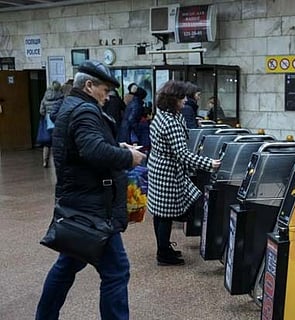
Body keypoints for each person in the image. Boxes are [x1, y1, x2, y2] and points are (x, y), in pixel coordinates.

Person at [35, 60, 146, 320]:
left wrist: (116, 145)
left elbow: (84, 147)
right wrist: (128, 157)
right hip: (92, 207)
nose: (107, 97)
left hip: (79, 201)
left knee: (68, 264)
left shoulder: (71, 107)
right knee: (116, 271)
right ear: (89, 85)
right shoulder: (85, 111)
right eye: (105, 91)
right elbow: (93, 151)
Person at [147, 80, 221, 266]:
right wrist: (209, 163)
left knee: (160, 213)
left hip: (158, 168)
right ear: (173, 100)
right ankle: (163, 253)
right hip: (168, 173)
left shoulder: (162, 116)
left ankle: (163, 248)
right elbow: (182, 154)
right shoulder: (170, 122)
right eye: (182, 98)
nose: (185, 101)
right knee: (165, 215)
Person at [39, 80, 64, 168]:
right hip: (58, 122)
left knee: (47, 143)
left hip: (48, 122)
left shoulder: (45, 97)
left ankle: (45, 162)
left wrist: (47, 114)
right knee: (58, 143)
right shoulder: (61, 97)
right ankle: (57, 162)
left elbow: (41, 111)